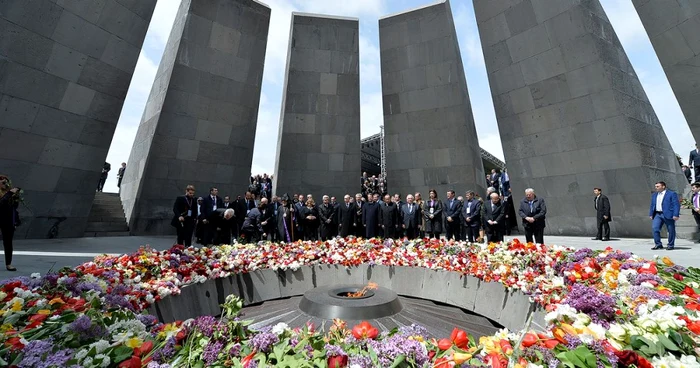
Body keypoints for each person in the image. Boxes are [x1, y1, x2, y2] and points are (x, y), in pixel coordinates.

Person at [649, 181, 680, 250]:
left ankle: (670, 245)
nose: (656, 188)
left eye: (658, 186)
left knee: (671, 230)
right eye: (655, 187)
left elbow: (676, 204)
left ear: (663, 186)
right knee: (655, 228)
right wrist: (651, 213)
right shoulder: (655, 195)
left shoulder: (671, 194)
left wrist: (676, 214)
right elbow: (652, 205)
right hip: (657, 214)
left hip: (668, 214)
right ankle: (658, 244)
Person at [0, 175, 20, 271]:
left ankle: (9, 263)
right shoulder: (7, 194)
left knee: (8, 242)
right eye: (3, 183)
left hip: (8, 221)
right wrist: (9, 194)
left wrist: (16, 198)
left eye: (6, 182)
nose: (5, 184)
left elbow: (14, 207)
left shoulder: (9, 193)